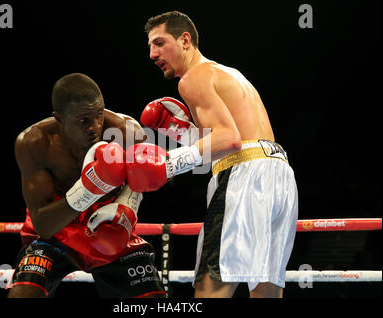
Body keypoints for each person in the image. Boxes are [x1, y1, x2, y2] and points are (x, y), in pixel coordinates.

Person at [127, 11, 298, 298]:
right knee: (266, 290)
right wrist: (185, 134)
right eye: (149, 46)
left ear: (185, 40)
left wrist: (170, 163)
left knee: (211, 284)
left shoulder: (192, 79)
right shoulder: (229, 73)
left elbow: (228, 140)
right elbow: (236, 137)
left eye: (159, 43)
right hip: (279, 175)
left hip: (244, 176)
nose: (152, 54)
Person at [7, 73, 166, 298]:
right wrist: (87, 191)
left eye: (99, 115)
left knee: (155, 300)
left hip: (107, 225)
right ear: (59, 118)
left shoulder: (126, 133)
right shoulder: (35, 143)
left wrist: (125, 206)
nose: (95, 127)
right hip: (56, 232)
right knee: (23, 294)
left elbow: (147, 177)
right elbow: (43, 225)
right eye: (84, 120)